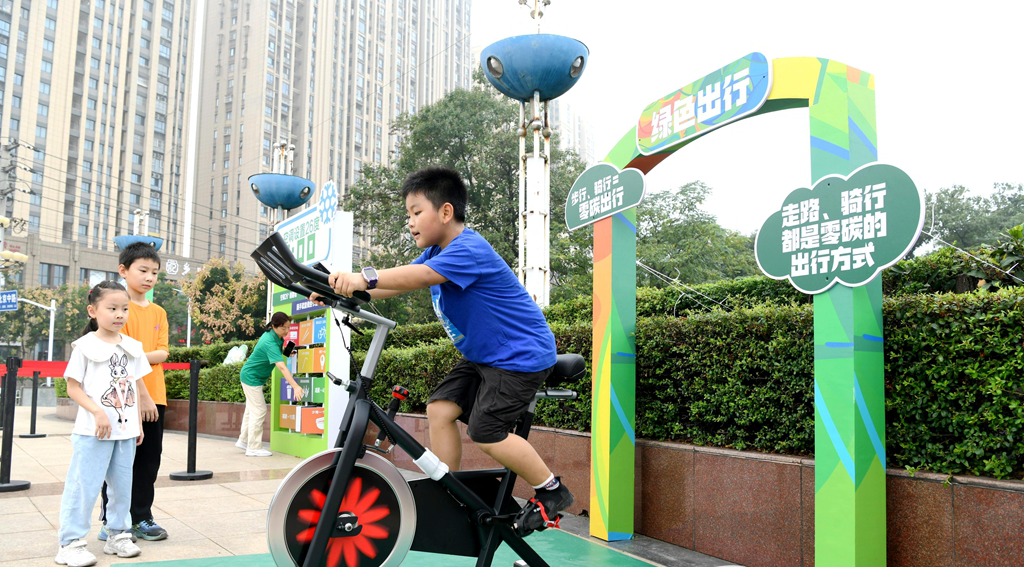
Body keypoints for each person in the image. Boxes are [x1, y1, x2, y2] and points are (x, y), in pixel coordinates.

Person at [320, 166, 573, 534]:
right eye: (408, 214)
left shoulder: (468, 248)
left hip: (520, 356)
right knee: (439, 409)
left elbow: (420, 277)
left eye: (416, 212)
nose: (410, 222)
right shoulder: (436, 252)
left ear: (445, 212)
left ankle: (551, 490)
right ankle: (450, 492)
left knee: (487, 432)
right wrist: (339, 291)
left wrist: (363, 277)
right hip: (485, 357)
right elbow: (398, 283)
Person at [56, 281, 151, 566]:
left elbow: (133, 388)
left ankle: (118, 535)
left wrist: (138, 425)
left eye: (124, 309)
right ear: (93, 311)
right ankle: (70, 543)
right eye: (112, 308)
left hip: (125, 432)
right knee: (83, 486)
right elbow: (73, 388)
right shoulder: (84, 346)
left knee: (122, 487)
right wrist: (97, 412)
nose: (119, 314)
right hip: (92, 432)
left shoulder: (133, 347)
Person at [98, 243, 170, 542]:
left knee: (149, 462)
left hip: (156, 396)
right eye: (143, 270)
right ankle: (111, 521)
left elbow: (163, 352)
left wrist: (135, 354)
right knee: (118, 462)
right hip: (123, 399)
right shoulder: (117, 310)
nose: (149, 277)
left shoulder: (159, 312)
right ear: (123, 270)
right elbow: (119, 354)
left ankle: (141, 517)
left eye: (155, 272)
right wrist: (138, 358)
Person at [236, 311, 305, 456]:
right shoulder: (269, 341)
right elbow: (281, 367)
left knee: (251, 410)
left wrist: (287, 352)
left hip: (253, 377)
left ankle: (243, 441)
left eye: (288, 327)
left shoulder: (275, 336)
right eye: (283, 328)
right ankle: (253, 448)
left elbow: (276, 352)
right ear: (274, 326)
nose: (286, 331)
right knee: (259, 410)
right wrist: (295, 386)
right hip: (251, 378)